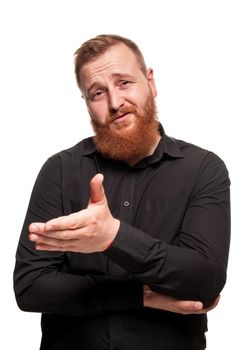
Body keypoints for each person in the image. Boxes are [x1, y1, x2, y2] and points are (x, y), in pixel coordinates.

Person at [14, 34, 230, 350]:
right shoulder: (59, 170)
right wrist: (140, 297)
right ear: (87, 104)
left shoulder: (203, 168)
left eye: (125, 83)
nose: (115, 103)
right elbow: (30, 287)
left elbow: (204, 281)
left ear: (150, 82)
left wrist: (113, 236)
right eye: (98, 93)